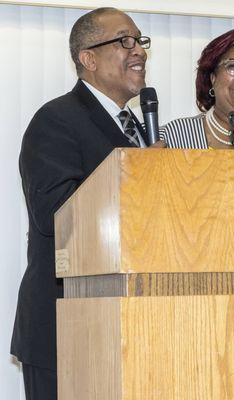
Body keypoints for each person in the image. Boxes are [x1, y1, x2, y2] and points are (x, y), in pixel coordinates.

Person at [11, 7, 153, 400]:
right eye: (124, 41)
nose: (138, 50)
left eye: (140, 40)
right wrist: (139, 177)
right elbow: (56, 216)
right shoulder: (56, 120)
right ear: (87, 58)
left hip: (126, 325)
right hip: (65, 329)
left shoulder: (138, 128)